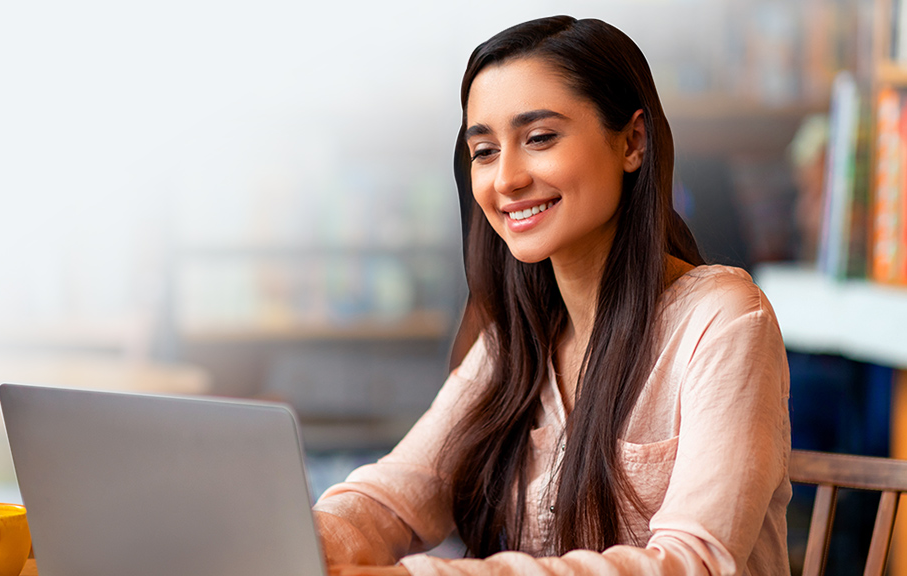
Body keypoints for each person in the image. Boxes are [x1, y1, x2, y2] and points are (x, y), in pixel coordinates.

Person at [312, 15, 791, 576]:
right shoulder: (514, 342)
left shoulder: (723, 319)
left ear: (633, 142)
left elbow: (694, 564)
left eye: (539, 138)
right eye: (485, 151)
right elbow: (391, 497)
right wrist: (306, 539)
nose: (507, 178)